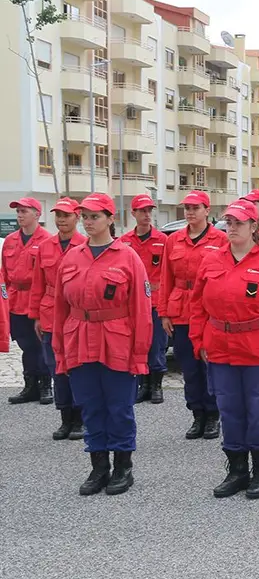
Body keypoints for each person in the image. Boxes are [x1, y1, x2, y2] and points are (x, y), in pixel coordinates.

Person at [190, 199, 259, 499]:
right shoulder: (211, 261)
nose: (233, 227)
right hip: (221, 350)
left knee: (258, 410)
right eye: (229, 222)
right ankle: (237, 470)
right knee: (229, 410)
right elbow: (197, 305)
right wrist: (198, 340)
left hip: (257, 351)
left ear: (255, 226)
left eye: (239, 222)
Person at [52, 193, 152, 496]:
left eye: (95, 216)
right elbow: (60, 309)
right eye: (85, 216)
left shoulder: (127, 257)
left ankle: (123, 466)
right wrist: (60, 353)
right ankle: (98, 467)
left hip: (116, 341)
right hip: (80, 340)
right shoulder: (72, 257)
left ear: (111, 218)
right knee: (90, 406)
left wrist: (140, 355)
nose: (88, 221)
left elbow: (141, 310)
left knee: (119, 408)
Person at [160, 190, 229, 440]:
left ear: (206, 210)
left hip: (208, 310)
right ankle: (197, 414)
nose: (190, 212)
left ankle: (213, 415)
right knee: (189, 367)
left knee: (209, 365)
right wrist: (164, 312)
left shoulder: (221, 239)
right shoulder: (174, 240)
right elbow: (166, 278)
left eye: (195, 208)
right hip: (181, 310)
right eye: (187, 208)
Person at [30, 197, 86, 440]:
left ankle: (80, 417)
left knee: (77, 366)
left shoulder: (85, 245)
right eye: (58, 215)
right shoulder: (45, 246)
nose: (62, 220)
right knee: (57, 368)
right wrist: (35, 317)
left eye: (66, 215)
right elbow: (37, 284)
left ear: (77, 217)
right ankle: (65, 417)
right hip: (51, 312)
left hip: (75, 314)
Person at [4, 197, 54, 405]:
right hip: (15, 299)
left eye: (24, 211)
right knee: (24, 343)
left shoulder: (47, 241)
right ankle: (30, 384)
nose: (20, 215)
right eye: (18, 212)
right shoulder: (10, 240)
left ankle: (44, 385)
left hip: (38, 298)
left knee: (40, 343)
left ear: (37, 214)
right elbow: (4, 274)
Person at [121, 194, 169, 405]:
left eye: (149, 210)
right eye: (142, 211)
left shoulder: (162, 240)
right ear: (133, 214)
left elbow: (168, 274)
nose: (146, 215)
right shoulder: (124, 242)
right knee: (137, 343)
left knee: (156, 344)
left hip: (156, 301)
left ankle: (156, 385)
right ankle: (144, 384)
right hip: (132, 302)